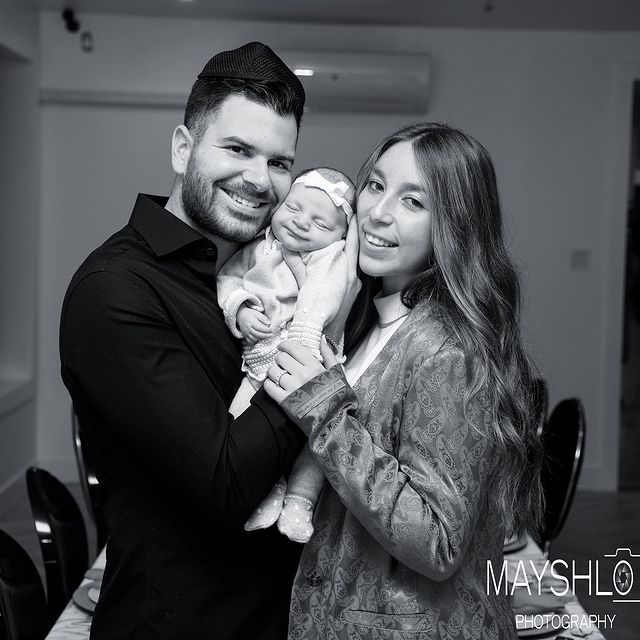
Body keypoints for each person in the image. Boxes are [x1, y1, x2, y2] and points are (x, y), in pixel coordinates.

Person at [59, 42, 310, 640]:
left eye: (279, 162)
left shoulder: (264, 276)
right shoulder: (115, 288)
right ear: (182, 148)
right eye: (238, 149)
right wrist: (314, 357)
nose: (260, 180)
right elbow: (226, 481)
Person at [264, 123, 544, 639]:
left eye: (413, 201)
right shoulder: (370, 319)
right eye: (375, 185)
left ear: (454, 225)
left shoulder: (448, 350)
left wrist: (325, 411)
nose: (377, 212)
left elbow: (438, 541)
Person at [217, 166, 356, 543]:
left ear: (341, 236)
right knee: (240, 422)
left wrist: (304, 338)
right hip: (258, 359)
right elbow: (228, 278)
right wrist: (241, 308)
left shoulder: (329, 257)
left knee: (312, 438)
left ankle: (299, 500)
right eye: (293, 208)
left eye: (320, 223)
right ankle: (267, 490)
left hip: (307, 359)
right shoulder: (259, 247)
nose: (301, 222)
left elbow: (322, 295)